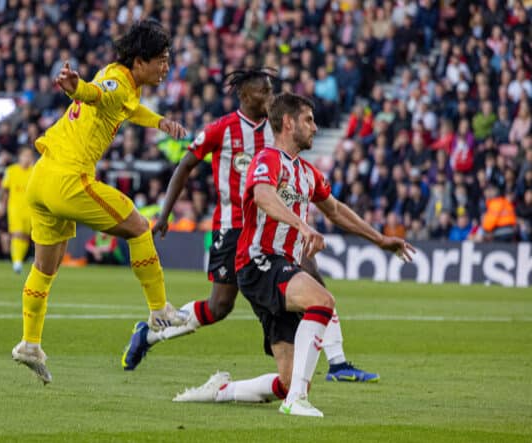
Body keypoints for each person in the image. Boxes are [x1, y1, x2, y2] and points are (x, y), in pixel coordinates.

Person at [123, 71, 379, 384]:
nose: (271, 97)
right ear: (246, 96)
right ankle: (150, 333)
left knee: (312, 276)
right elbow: (185, 166)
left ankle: (337, 362)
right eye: (264, 92)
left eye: (273, 91)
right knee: (219, 306)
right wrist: (164, 214)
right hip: (233, 229)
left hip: (274, 227)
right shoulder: (222, 129)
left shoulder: (279, 132)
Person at [172, 93, 414, 417]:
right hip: (259, 261)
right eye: (309, 120)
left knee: (286, 379)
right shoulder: (267, 159)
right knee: (323, 301)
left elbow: (336, 210)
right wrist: (302, 226)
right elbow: (263, 195)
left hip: (281, 266)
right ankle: (296, 402)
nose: (315, 127)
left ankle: (221, 391)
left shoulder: (307, 172)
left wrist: (380, 239)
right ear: (288, 123)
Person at [11, 20, 189, 384]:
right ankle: (159, 311)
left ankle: (29, 343)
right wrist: (78, 88)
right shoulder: (116, 80)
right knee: (139, 227)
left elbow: (125, 106)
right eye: (162, 60)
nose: (166, 67)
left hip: (41, 178)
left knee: (45, 269)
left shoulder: (125, 82)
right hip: (68, 179)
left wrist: (159, 123)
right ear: (139, 61)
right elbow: (99, 94)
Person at [0, 146, 35, 273]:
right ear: (19, 157)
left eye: (29, 156)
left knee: (25, 236)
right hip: (15, 208)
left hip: (30, 209)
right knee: (17, 233)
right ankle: (17, 262)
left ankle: (19, 260)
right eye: (25, 155)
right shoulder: (11, 171)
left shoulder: (34, 171)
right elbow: (3, 189)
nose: (26, 158)